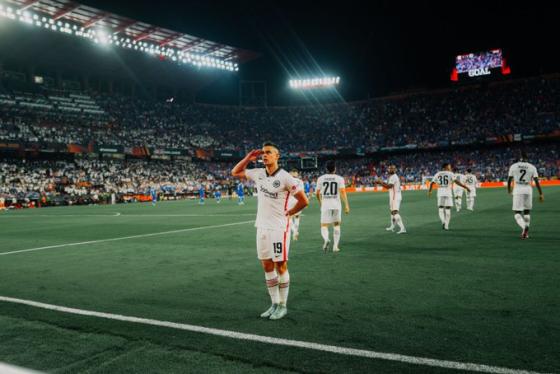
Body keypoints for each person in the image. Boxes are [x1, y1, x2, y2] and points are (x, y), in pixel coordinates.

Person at [231, 142, 308, 320]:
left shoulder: (286, 177)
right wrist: (248, 158)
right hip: (261, 227)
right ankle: (274, 303)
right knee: (266, 266)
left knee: (280, 266)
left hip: (279, 228)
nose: (264, 155)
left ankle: (283, 305)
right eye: (263, 153)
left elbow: (303, 201)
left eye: (268, 153)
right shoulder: (258, 173)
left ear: (277, 156)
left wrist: (290, 213)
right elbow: (235, 172)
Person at [507, 152, 544, 239]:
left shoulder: (513, 166)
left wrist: (509, 190)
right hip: (528, 190)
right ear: (527, 158)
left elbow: (509, 180)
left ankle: (524, 227)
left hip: (518, 189)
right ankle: (525, 233)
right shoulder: (532, 167)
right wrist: (541, 194)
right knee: (527, 211)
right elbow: (536, 181)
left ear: (519, 158)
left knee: (517, 213)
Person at [316, 160, 350, 252]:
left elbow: (317, 193)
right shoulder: (339, 178)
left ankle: (326, 239)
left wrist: (320, 203)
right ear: (335, 169)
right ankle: (335, 247)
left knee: (324, 225)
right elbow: (343, 192)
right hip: (336, 205)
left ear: (326, 169)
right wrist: (346, 205)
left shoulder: (320, 178)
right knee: (336, 225)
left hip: (325, 205)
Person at [428, 163, 470, 230]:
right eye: (449, 166)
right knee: (448, 208)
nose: (450, 167)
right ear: (445, 167)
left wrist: (430, 191)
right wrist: (465, 187)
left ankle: (443, 221)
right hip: (448, 192)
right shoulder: (451, 174)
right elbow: (457, 182)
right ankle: (446, 225)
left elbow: (432, 183)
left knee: (440, 208)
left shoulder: (438, 173)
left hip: (440, 192)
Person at [375, 164, 406, 234]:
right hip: (393, 196)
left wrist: (380, 182)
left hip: (395, 196)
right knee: (392, 212)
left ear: (394, 170)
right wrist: (381, 182)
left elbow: (389, 186)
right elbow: (388, 185)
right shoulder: (391, 177)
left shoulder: (394, 177)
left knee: (395, 212)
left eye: (391, 169)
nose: (389, 170)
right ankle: (392, 226)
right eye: (389, 168)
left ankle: (402, 228)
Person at [288, 170, 305, 241]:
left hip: (290, 199)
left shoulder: (288, 180)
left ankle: (294, 231)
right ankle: (295, 233)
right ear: (296, 174)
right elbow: (302, 192)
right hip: (298, 200)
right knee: (297, 217)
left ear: (291, 173)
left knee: (289, 217)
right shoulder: (300, 181)